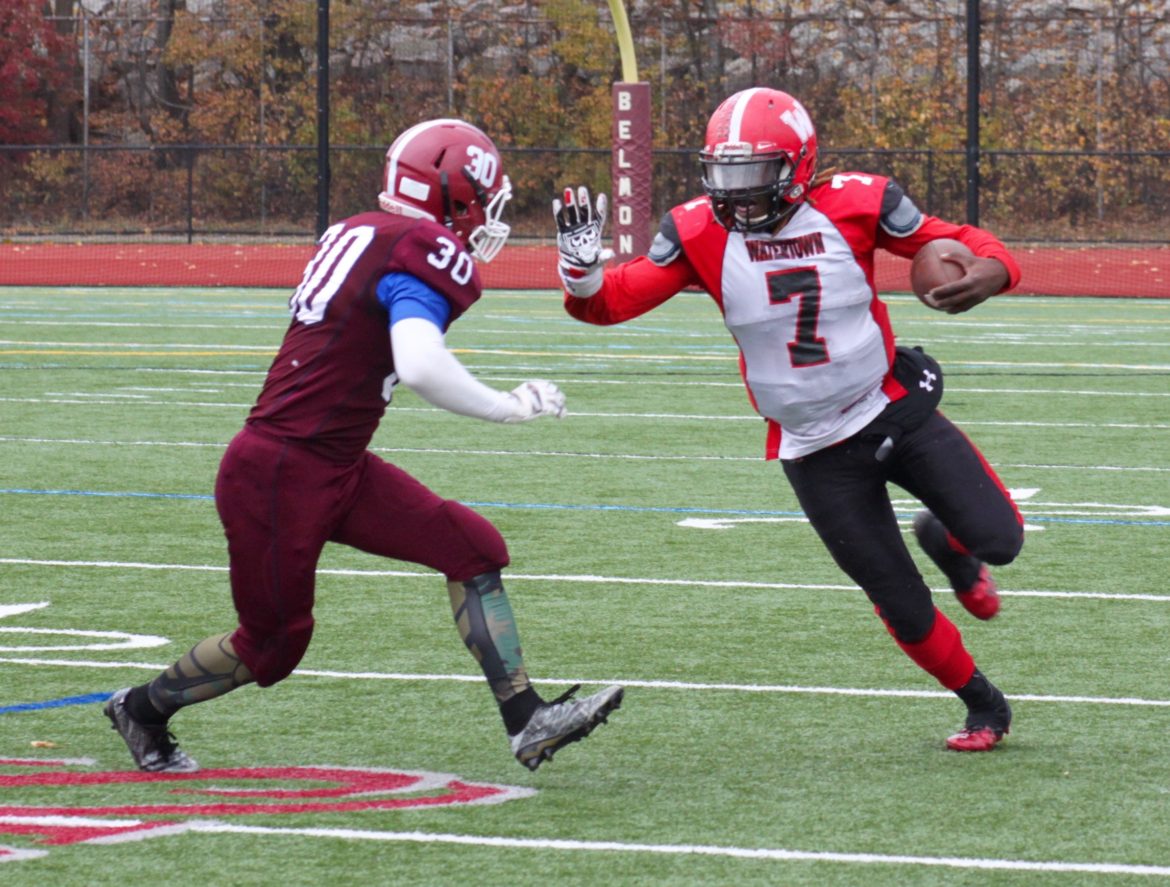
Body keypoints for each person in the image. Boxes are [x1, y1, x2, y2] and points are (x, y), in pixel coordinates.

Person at [105, 118, 623, 774]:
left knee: (471, 546)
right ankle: (142, 708)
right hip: (280, 472)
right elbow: (419, 362)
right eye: (483, 201)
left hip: (334, 463)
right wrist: (508, 405)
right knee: (272, 648)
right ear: (456, 195)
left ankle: (527, 718)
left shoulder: (359, 230)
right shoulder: (423, 246)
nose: (487, 217)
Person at [553, 88, 1023, 751]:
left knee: (1000, 539)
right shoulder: (695, 230)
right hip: (813, 446)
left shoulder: (859, 202)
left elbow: (959, 239)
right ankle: (984, 705)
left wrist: (994, 270)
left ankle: (950, 544)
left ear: (799, 166)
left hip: (889, 405)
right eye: (726, 175)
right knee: (899, 601)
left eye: (754, 176)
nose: (739, 195)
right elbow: (609, 303)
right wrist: (578, 272)